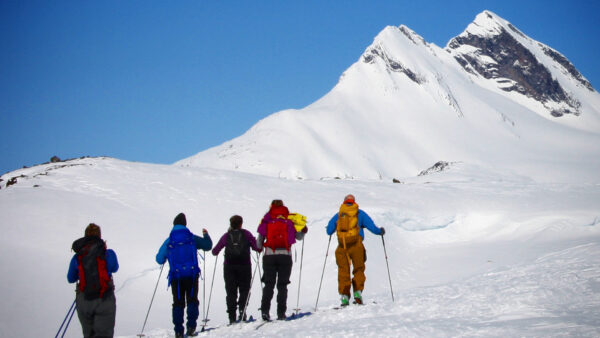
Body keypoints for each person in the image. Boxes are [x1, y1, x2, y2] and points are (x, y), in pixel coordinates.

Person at [156, 213, 212, 338]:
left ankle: (178, 330)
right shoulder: (191, 238)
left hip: (176, 276)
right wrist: (206, 235)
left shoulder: (170, 240)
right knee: (192, 300)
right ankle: (191, 326)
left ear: (174, 224)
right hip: (192, 275)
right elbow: (208, 246)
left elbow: (159, 259)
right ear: (185, 224)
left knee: (178, 303)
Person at [326, 194, 384, 306]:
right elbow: (372, 227)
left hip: (342, 246)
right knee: (359, 269)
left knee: (343, 271)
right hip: (357, 245)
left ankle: (344, 296)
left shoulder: (339, 214)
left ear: (344, 202)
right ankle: (357, 292)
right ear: (354, 202)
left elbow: (329, 231)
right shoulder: (359, 213)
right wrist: (380, 231)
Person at [256, 200, 307, 321]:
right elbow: (298, 237)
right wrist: (303, 231)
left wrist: (259, 248)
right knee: (282, 285)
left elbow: (260, 239)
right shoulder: (289, 220)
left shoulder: (267, 219)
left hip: (269, 255)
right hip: (285, 255)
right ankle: (281, 313)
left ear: (271, 206)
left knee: (269, 284)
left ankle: (265, 311)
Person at [68, 223, 119, 338]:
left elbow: (70, 278)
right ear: (100, 236)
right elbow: (115, 268)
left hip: (84, 298)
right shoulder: (108, 254)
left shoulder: (78, 256)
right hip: (105, 298)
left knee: (88, 334)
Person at [211, 215, 261, 324]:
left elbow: (215, 251)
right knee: (244, 289)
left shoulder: (226, 235)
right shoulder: (246, 234)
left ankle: (232, 316)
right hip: (245, 266)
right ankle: (242, 310)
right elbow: (257, 248)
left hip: (229, 267)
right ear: (241, 223)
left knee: (231, 291)